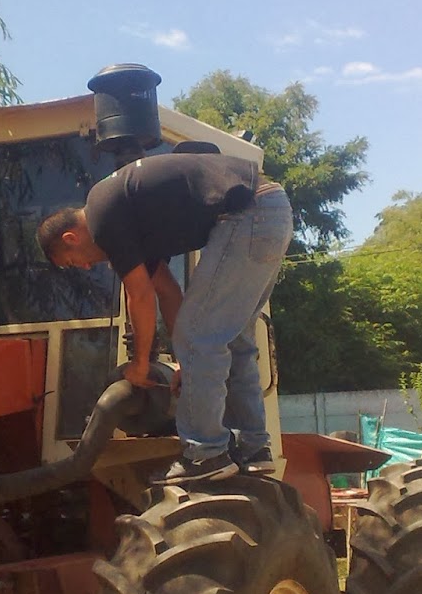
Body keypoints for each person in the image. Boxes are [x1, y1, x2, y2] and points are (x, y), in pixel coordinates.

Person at [36, 150, 293, 483]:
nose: (86, 267)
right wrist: (186, 363)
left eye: (74, 261)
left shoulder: (101, 214)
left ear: (70, 238)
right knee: (231, 337)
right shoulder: (130, 217)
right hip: (270, 210)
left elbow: (140, 294)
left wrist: (140, 363)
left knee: (201, 334)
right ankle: (254, 449)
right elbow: (168, 293)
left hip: (247, 216)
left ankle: (205, 453)